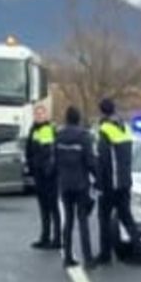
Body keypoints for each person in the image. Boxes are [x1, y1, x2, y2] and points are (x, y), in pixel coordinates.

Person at [94, 97, 141, 265]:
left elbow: (103, 159)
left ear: (101, 111)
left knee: (104, 218)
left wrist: (98, 183)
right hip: (125, 181)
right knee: (126, 217)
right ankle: (140, 251)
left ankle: (105, 254)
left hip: (111, 182)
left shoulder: (105, 129)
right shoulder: (125, 128)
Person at [55, 106, 96, 269]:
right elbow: (90, 161)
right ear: (78, 119)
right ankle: (88, 259)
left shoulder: (59, 136)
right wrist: (98, 178)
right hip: (81, 184)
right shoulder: (84, 136)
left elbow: (54, 159)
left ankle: (67, 257)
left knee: (68, 220)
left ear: (66, 118)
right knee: (83, 221)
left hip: (65, 183)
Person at [26, 104, 60, 249]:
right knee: (43, 208)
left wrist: (48, 171)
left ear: (47, 116)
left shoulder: (48, 129)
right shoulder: (34, 130)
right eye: (36, 114)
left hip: (49, 176)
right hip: (38, 174)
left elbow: (48, 154)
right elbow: (30, 151)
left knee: (53, 208)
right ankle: (45, 237)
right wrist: (31, 168)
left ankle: (57, 238)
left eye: (41, 114)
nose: (39, 116)